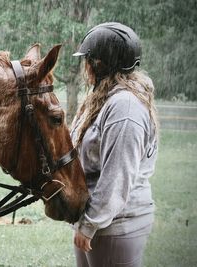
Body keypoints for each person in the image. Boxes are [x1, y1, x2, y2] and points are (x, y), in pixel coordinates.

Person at [70, 22, 159, 267]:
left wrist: (90, 224)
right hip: (98, 220)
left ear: (98, 63)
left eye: (87, 59)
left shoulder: (124, 107)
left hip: (115, 224)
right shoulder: (103, 99)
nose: (84, 66)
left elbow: (117, 175)